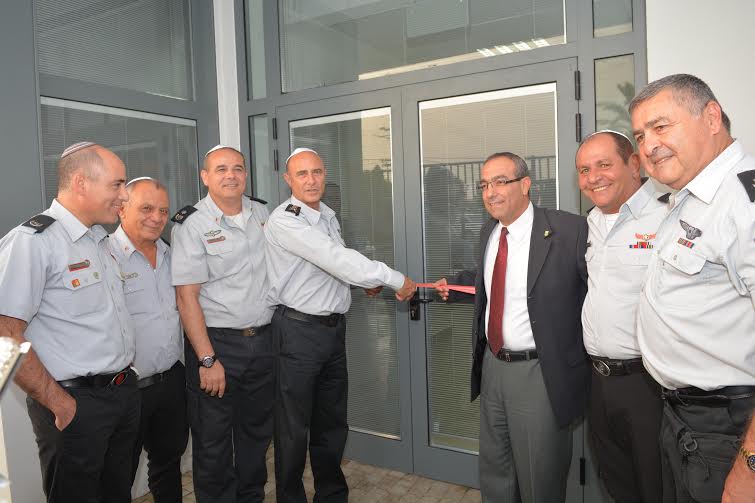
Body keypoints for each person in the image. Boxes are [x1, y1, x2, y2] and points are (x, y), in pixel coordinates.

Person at [433, 152, 589, 503]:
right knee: (496, 470)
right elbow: (494, 279)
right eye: (484, 185)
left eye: (500, 182)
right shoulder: (490, 231)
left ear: (525, 184)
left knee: (540, 476)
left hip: (539, 373)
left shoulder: (568, 230)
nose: (490, 192)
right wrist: (457, 285)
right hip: (493, 367)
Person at [264, 147, 416, 503]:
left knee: (331, 424)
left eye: (316, 172)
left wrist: (361, 283)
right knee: (293, 429)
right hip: (298, 333)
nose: (311, 180)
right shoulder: (286, 219)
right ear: (288, 180)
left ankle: (331, 495)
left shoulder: (328, 216)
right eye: (302, 174)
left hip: (331, 332)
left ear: (325, 175)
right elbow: (334, 258)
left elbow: (323, 271)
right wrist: (393, 278)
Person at [630, 73, 755, 502]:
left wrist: (751, 465)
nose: (648, 145)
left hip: (731, 429)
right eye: (640, 135)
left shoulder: (742, 203)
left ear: (712, 118)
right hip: (687, 419)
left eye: (661, 126)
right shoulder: (691, 197)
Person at [0, 142, 139, 502]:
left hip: (121, 394)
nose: (124, 195)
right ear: (80, 183)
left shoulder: (99, 240)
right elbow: (5, 334)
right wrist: (58, 402)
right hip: (74, 402)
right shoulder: (34, 242)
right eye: (116, 184)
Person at [171, 145, 274, 503]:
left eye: (237, 168)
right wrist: (207, 359)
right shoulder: (192, 224)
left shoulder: (262, 212)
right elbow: (186, 298)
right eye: (221, 169)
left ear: (246, 174)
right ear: (205, 177)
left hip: (264, 343)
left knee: (256, 437)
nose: (231, 175)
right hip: (217, 346)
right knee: (213, 444)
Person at [576, 130, 667, 502]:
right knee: (617, 483)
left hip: (648, 385)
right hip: (598, 383)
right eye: (584, 170)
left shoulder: (668, 215)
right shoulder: (590, 222)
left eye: (603, 165)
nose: (593, 177)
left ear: (633, 164)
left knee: (657, 487)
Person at [110, 177, 187, 502]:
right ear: (121, 209)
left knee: (168, 466)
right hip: (126, 389)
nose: (157, 217)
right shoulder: (104, 257)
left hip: (171, 381)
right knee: (117, 477)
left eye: (163, 211)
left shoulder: (172, 254)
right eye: (146, 208)